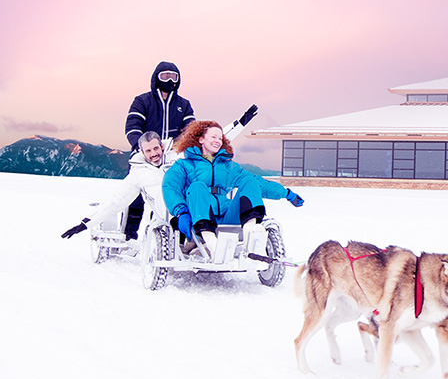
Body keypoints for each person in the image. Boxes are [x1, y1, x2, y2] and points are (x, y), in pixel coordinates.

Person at [162, 120, 303, 253]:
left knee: (250, 182)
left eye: (220, 139)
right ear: (200, 139)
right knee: (197, 186)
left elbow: (258, 182)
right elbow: (170, 187)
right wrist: (181, 211)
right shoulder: (183, 165)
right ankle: (211, 243)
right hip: (198, 214)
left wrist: (286, 193)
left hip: (227, 217)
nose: (218, 141)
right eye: (214, 137)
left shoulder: (229, 167)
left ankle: (250, 234)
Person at [123, 60, 196, 241]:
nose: (169, 80)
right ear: (156, 78)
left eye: (173, 76)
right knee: (135, 198)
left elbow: (190, 130)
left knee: (169, 196)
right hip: (145, 156)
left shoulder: (183, 104)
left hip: (170, 159)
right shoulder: (142, 101)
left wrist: (179, 149)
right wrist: (139, 147)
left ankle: (165, 237)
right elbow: (133, 126)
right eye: (165, 76)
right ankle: (128, 235)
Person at [61, 131, 177, 240]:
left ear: (162, 146)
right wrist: (85, 224)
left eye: (156, 148)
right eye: (148, 151)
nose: (154, 154)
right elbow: (117, 199)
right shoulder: (139, 172)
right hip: (162, 217)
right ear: (142, 152)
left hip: (186, 210)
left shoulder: (178, 159)